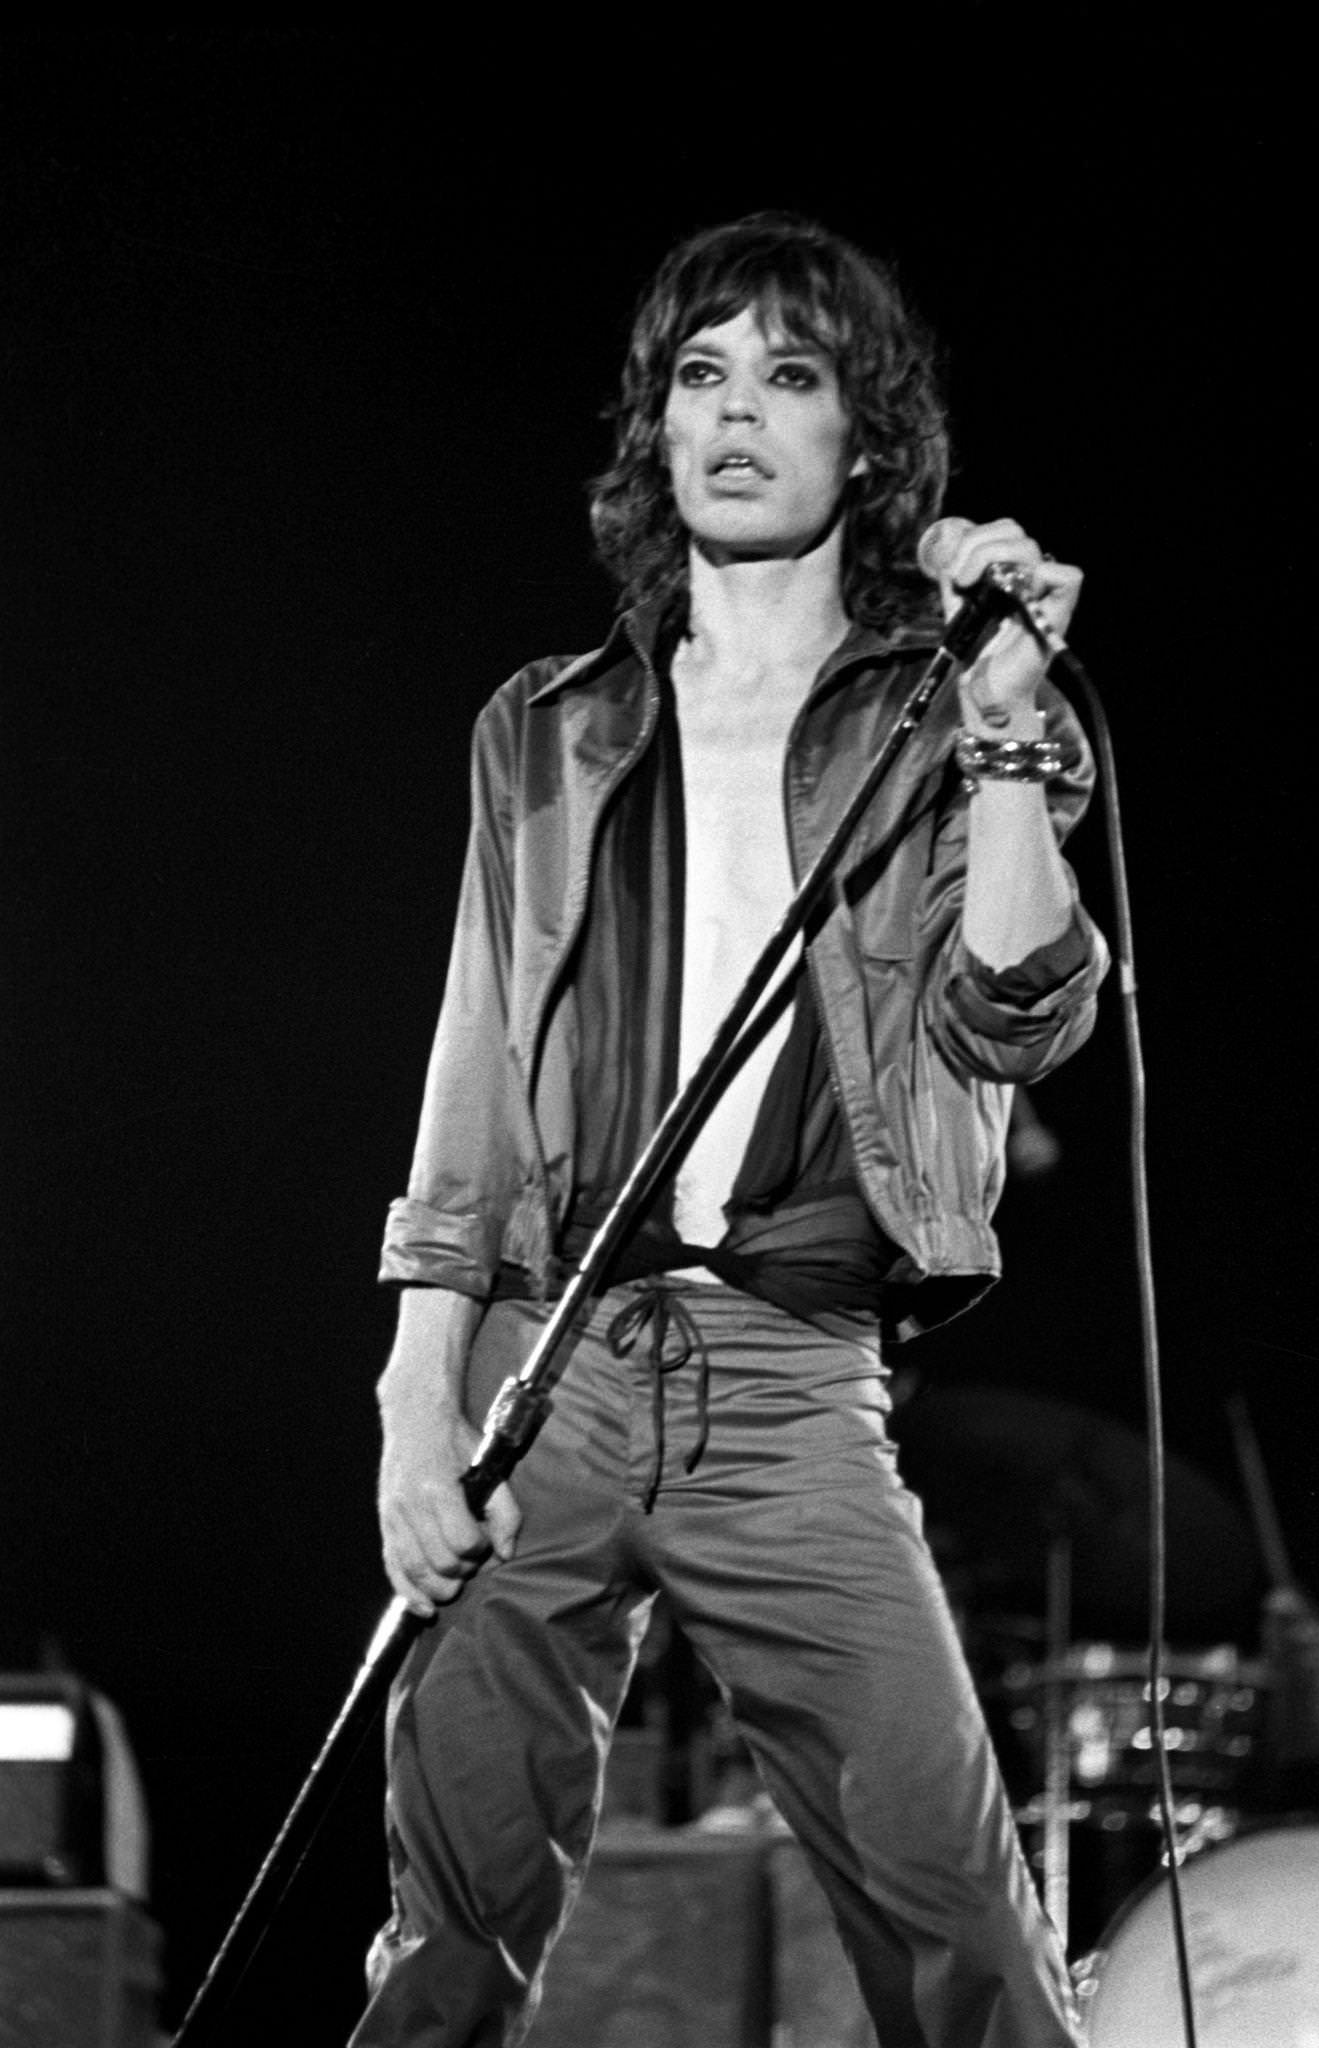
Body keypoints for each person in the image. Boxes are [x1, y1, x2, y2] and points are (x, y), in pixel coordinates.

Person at [352, 212, 1109, 2048]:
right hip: (556, 1363)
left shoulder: (945, 723)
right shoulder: (546, 731)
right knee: (443, 1945)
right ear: (658, 429)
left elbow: (1015, 1009)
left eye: (794, 375)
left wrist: (1009, 733)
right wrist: (413, 1394)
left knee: (968, 1944)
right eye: (704, 375)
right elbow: (473, 1073)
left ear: (869, 441)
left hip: (791, 1384)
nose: (741, 413)